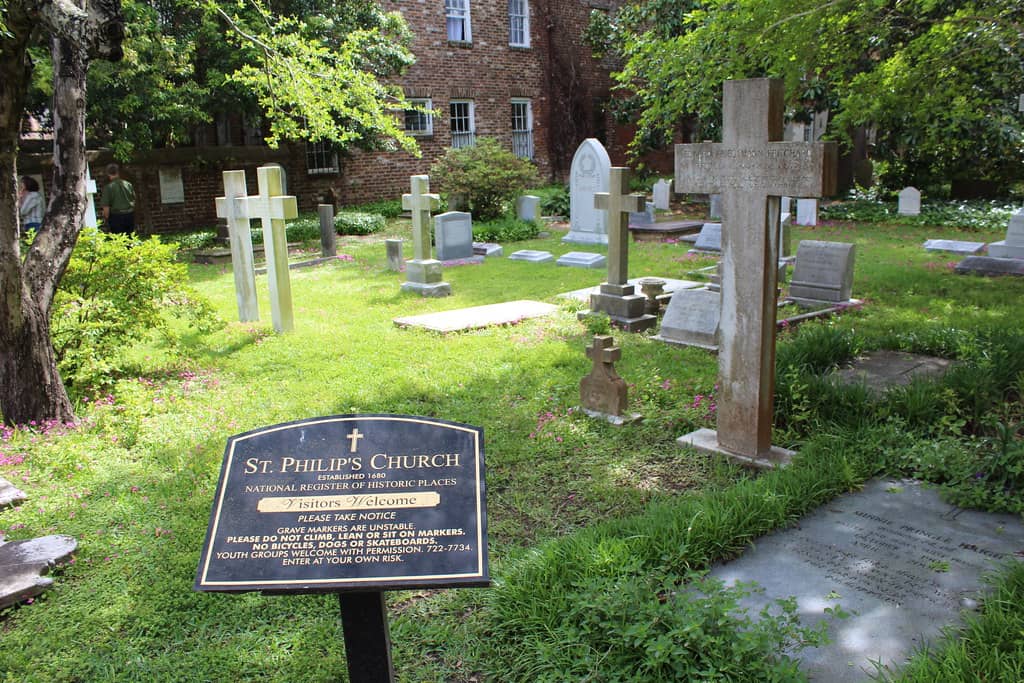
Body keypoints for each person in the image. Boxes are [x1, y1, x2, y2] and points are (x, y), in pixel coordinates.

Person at [99, 163, 136, 234]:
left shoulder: (108, 187)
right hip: (129, 214)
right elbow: (134, 199)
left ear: (108, 173)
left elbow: (105, 206)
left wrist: (107, 218)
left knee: (118, 239)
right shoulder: (128, 184)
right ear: (118, 172)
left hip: (116, 216)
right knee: (130, 237)